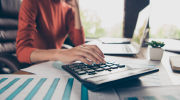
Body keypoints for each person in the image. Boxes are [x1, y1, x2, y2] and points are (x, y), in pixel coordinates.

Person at [16, 0, 106, 65]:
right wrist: (59, 53)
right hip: (34, 64)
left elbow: (80, 44)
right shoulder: (32, 2)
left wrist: (76, 8)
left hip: (54, 63)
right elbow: (21, 52)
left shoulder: (69, 10)